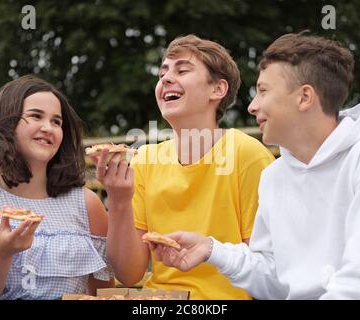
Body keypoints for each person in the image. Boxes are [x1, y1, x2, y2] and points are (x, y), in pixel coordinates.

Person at [153, 32, 360, 299]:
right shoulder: (275, 175)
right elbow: (274, 278)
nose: (252, 106)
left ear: (304, 97)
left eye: (263, 91)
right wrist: (211, 249)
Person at [93, 35, 274, 299]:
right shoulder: (144, 159)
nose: (165, 79)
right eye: (162, 72)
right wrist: (119, 201)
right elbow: (128, 273)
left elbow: (264, 269)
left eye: (182, 70)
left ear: (217, 90)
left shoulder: (248, 155)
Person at [0, 75, 114, 300]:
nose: (48, 128)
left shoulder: (88, 203)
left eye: (56, 122)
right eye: (35, 116)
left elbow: (104, 294)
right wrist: (2, 253)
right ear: (7, 124)